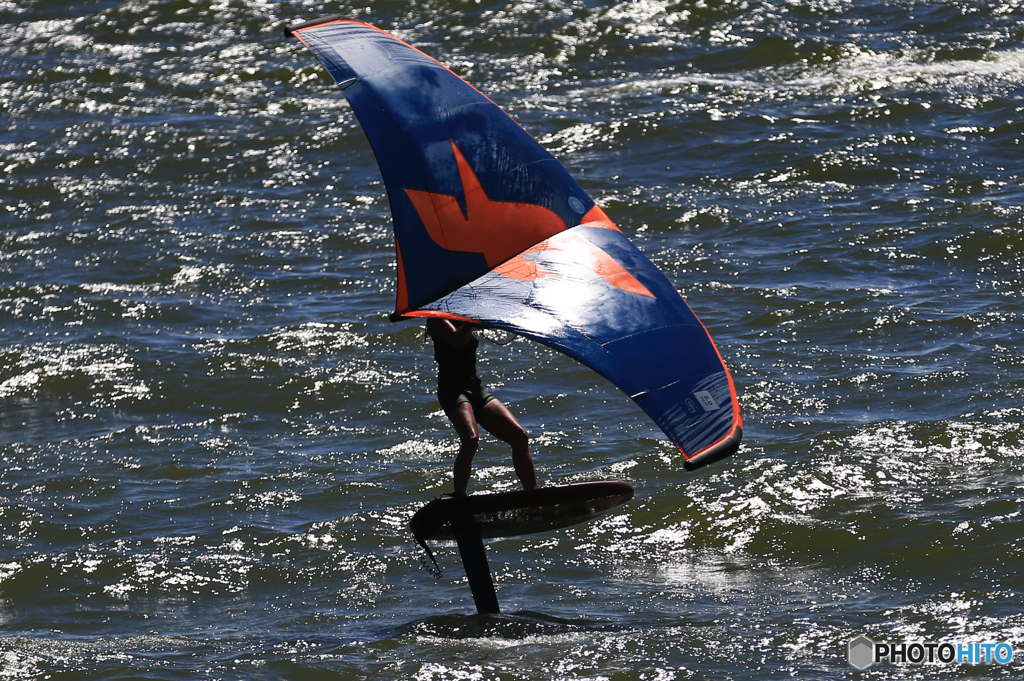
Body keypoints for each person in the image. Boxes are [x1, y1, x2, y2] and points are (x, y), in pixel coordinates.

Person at [425, 317, 538, 495]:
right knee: (470, 440)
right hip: (452, 390)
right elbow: (457, 341)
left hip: (475, 388)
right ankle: (459, 497)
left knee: (520, 437)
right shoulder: (437, 320)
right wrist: (470, 322)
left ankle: (533, 495)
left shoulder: (462, 315)